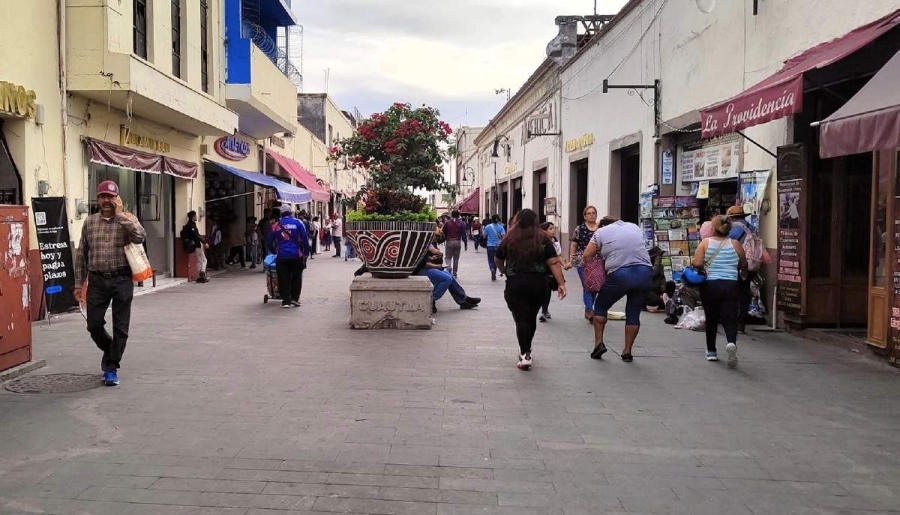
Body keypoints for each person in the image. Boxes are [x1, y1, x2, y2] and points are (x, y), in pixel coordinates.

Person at [74, 180, 146, 386]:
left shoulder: (128, 219)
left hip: (122, 279)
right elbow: (82, 256)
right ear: (98, 199)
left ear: (117, 199)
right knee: (93, 325)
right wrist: (79, 284)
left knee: (120, 327)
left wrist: (122, 215)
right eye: (103, 197)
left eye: (110, 197)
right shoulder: (90, 222)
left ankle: (111, 367)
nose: (107, 201)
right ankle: (111, 349)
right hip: (97, 280)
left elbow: (140, 237)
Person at [495, 210, 567, 370]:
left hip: (516, 283)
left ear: (517, 221)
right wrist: (561, 283)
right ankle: (526, 349)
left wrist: (504, 270)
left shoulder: (509, 239)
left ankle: (525, 353)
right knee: (531, 316)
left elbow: (498, 258)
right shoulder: (543, 239)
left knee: (520, 318)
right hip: (538, 284)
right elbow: (553, 262)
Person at [583, 216, 653, 363]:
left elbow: (587, 255)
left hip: (620, 273)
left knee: (601, 306)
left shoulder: (600, 232)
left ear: (601, 226)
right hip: (645, 272)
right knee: (633, 313)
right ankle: (627, 352)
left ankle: (598, 344)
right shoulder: (634, 226)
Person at [692, 215, 747, 367]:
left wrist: (702, 266)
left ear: (713, 228)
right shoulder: (736, 244)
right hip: (731, 285)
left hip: (711, 286)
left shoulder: (705, 243)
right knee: (730, 319)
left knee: (711, 319)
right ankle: (731, 343)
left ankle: (711, 352)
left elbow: (696, 263)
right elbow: (743, 263)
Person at [415, 242, 481, 313]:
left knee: (448, 274)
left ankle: (462, 299)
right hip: (420, 270)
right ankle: (432, 298)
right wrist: (436, 266)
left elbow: (423, 260)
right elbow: (421, 264)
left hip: (424, 267)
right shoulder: (419, 243)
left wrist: (431, 258)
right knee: (447, 278)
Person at [267, 204, 311, 308]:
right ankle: (295, 299)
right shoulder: (298, 223)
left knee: (283, 278)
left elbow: (269, 241)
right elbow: (305, 239)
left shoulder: (276, 225)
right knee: (296, 277)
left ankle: (286, 300)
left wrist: (273, 251)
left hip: (282, 256)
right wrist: (306, 252)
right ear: (291, 212)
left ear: (281, 214)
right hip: (296, 255)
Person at [569, 206, 600, 324]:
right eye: (589, 213)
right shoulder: (579, 229)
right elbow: (574, 244)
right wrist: (572, 258)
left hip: (597, 261)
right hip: (582, 260)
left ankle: (589, 308)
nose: (592, 215)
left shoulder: (601, 228)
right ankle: (589, 310)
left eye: (594, 213)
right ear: (584, 216)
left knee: (596, 287)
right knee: (587, 285)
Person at [726, 206, 754, 333]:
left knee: (732, 292)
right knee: (745, 292)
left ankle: (732, 320)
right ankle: (742, 321)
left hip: (735, 263)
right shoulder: (751, 227)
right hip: (751, 263)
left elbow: (727, 244)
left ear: (731, 217)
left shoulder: (733, 228)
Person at [539, 221, 570, 322]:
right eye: (550, 229)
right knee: (542, 289)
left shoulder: (555, 242)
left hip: (550, 270)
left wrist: (564, 265)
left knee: (547, 290)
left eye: (553, 228)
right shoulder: (539, 241)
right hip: (541, 268)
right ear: (543, 231)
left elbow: (558, 256)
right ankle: (542, 309)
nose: (553, 231)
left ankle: (544, 310)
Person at [181, 211, 209, 283]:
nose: (196, 217)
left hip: (195, 245)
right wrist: (204, 242)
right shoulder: (191, 226)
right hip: (197, 245)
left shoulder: (191, 225)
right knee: (204, 260)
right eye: (195, 216)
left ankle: (199, 276)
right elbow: (196, 236)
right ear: (193, 217)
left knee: (199, 261)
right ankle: (202, 273)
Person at [442, 210, 467, 277]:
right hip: (457, 241)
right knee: (456, 258)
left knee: (448, 257)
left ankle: (449, 267)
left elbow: (443, 231)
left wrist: (445, 238)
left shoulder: (447, 223)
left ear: (451, 215)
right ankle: (455, 272)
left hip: (449, 241)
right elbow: (463, 234)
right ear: (458, 215)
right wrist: (465, 244)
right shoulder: (462, 223)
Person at [484, 214, 506, 281]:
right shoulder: (501, 227)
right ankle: (495, 272)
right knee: (496, 260)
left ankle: (492, 269)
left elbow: (484, 236)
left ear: (492, 220)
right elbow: (503, 237)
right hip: (498, 246)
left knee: (490, 260)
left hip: (490, 245)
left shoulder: (487, 227)